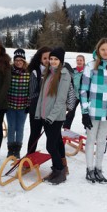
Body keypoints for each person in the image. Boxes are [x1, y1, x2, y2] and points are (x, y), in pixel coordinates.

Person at [80, 38, 107, 183]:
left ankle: (98, 168)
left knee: (102, 140)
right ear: (98, 50)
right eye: (103, 49)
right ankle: (90, 169)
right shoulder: (90, 66)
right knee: (91, 140)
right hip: (93, 110)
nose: (105, 52)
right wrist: (84, 112)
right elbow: (83, 90)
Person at [35, 47, 71, 185]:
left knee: (51, 146)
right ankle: (56, 170)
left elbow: (61, 100)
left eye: (56, 59)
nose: (53, 61)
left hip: (55, 118)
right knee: (55, 143)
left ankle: (60, 170)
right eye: (51, 59)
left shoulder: (64, 75)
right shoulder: (48, 73)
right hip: (45, 116)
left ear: (61, 61)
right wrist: (39, 114)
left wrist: (51, 117)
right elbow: (42, 97)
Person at [26, 46, 51, 154]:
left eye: (49, 58)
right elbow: (32, 93)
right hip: (36, 109)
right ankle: (29, 156)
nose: (47, 60)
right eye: (44, 58)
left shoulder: (56, 71)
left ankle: (58, 162)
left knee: (52, 135)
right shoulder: (35, 72)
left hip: (50, 109)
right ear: (40, 59)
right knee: (35, 134)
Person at [6, 49, 30, 159]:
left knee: (20, 128)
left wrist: (29, 104)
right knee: (11, 127)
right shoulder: (9, 71)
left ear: (24, 61)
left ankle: (17, 150)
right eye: (16, 60)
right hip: (10, 105)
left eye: (21, 60)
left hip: (23, 106)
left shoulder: (28, 72)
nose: (18, 62)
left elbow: (31, 89)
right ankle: (10, 150)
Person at [63, 55, 85, 130]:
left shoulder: (86, 71)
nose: (79, 62)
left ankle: (87, 128)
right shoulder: (73, 71)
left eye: (80, 60)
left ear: (83, 61)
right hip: (74, 95)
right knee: (71, 111)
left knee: (85, 112)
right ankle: (66, 127)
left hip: (84, 95)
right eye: (78, 60)